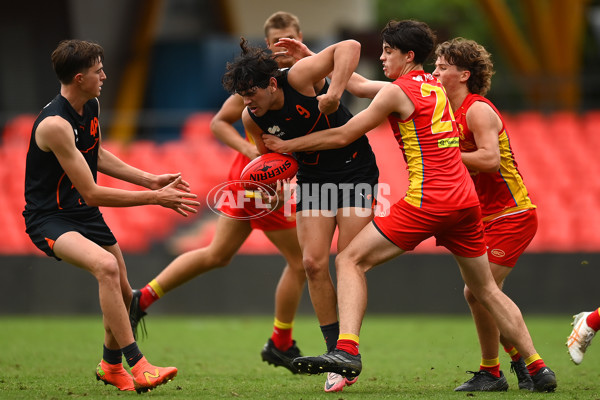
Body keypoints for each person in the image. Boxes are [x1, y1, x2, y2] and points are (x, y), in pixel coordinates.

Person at [263, 20, 557, 393]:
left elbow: (342, 134)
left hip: (429, 199)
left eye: (388, 51)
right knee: (486, 289)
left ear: (408, 55)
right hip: (465, 201)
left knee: (349, 260)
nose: (382, 57)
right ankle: (537, 366)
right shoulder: (437, 86)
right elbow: (359, 84)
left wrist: (288, 147)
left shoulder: (396, 92)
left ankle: (347, 351)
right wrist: (312, 57)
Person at [129, 11, 307, 376]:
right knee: (304, 262)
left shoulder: (304, 75)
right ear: (268, 43)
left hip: (257, 179)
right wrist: (253, 154)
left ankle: (140, 298)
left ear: (300, 36)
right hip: (262, 180)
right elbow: (217, 122)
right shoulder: (264, 82)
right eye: (276, 41)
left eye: (288, 38)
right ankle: (282, 342)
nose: (283, 47)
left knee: (217, 255)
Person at [22, 39, 200, 393]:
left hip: (81, 212)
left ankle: (110, 365)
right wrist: (155, 197)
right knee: (106, 267)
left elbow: (97, 155)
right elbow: (92, 191)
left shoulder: (91, 106)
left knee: (124, 294)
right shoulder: (54, 125)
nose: (104, 75)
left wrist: (151, 177)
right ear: (78, 78)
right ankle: (140, 365)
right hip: (49, 218)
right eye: (97, 70)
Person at [221, 34, 379, 392]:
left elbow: (350, 47)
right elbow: (277, 162)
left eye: (253, 95)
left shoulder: (298, 77)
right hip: (312, 179)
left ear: (273, 84)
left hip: (355, 171)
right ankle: (334, 355)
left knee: (348, 260)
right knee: (312, 264)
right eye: (244, 98)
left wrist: (335, 93)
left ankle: (347, 346)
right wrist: (276, 192)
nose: (249, 104)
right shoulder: (251, 118)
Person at [431, 38, 537, 392]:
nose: (435, 72)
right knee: (479, 293)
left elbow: (490, 160)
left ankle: (517, 367)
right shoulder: (444, 113)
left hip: (512, 214)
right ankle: (506, 368)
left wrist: (447, 156)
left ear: (463, 75)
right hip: (480, 218)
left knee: (479, 292)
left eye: (442, 67)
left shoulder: (477, 110)